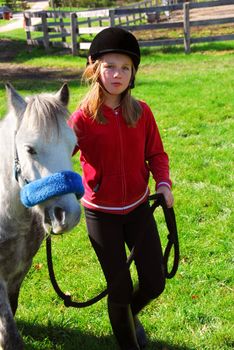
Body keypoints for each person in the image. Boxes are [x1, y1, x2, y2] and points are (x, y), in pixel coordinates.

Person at [68, 27, 174, 350]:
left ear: (133, 73)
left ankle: (127, 315)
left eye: (125, 68)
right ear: (95, 67)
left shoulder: (141, 113)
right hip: (102, 216)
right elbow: (59, 155)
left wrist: (163, 182)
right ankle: (128, 341)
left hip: (139, 208)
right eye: (110, 66)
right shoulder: (82, 119)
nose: (117, 74)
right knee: (119, 287)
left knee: (155, 282)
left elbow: (156, 153)